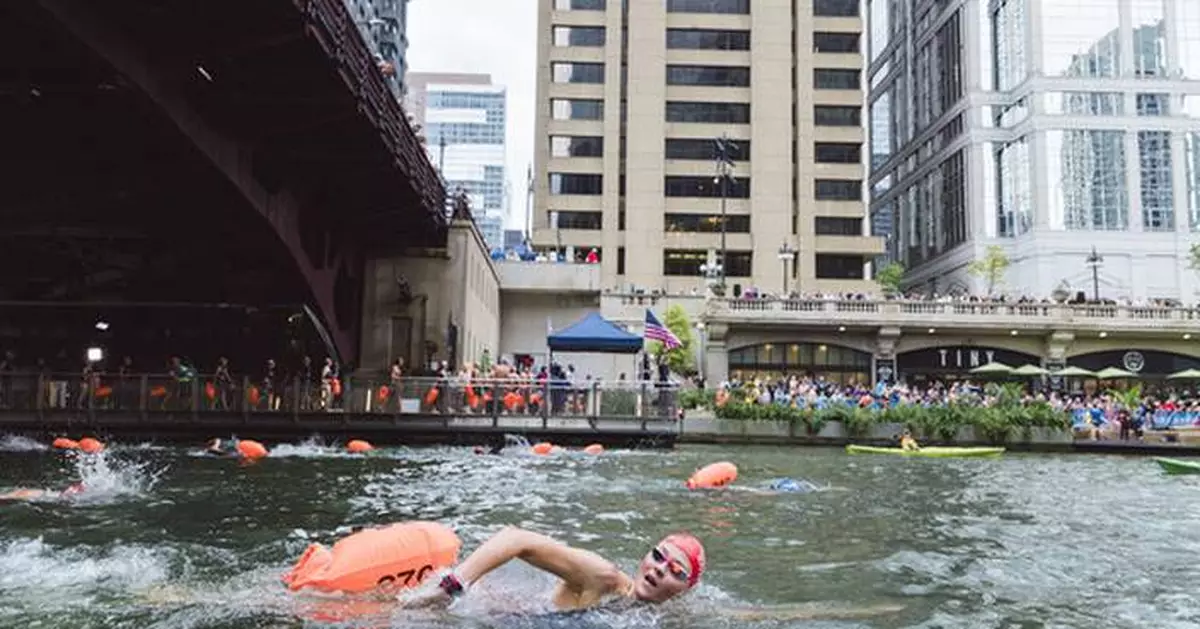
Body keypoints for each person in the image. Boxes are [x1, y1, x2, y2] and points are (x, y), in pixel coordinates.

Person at [400, 526, 704, 611]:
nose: (661, 569)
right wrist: (450, 588)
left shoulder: (670, 612)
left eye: (677, 571)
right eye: (658, 556)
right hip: (490, 617)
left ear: (687, 589)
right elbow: (514, 537)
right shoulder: (605, 578)